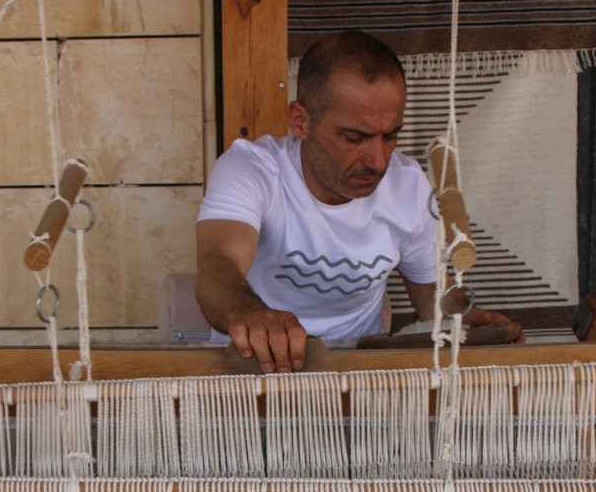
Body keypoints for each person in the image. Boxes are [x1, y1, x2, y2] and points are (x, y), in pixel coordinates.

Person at [195, 31, 511, 374]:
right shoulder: (250, 169)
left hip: (357, 371)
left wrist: (463, 319)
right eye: (354, 138)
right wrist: (250, 315)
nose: (377, 160)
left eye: (390, 136)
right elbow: (217, 265)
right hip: (256, 365)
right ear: (300, 121)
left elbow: (429, 294)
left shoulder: (408, 185)